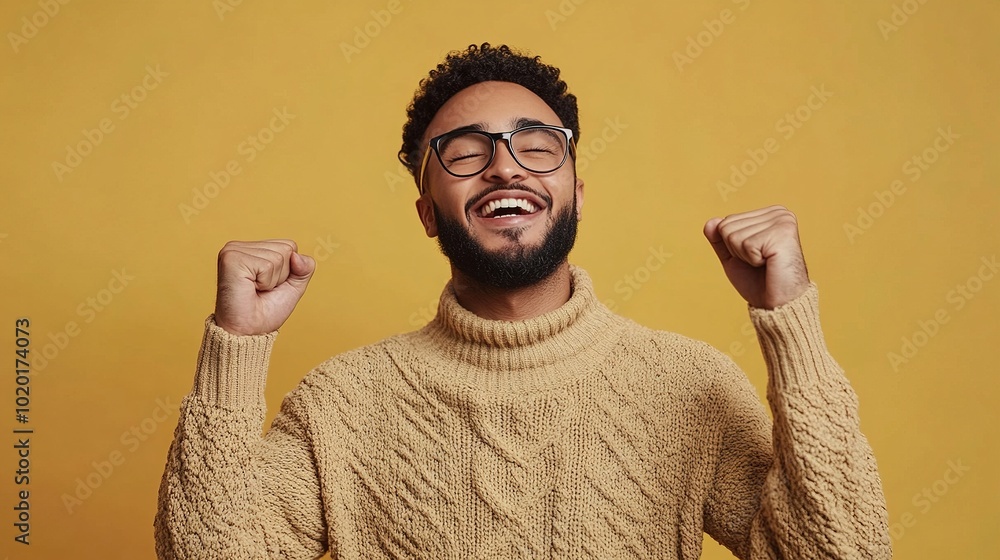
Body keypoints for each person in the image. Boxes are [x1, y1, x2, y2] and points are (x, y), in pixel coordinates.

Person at [154, 43, 891, 559]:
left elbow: (845, 553)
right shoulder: (339, 404)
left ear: (575, 192)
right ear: (428, 213)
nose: (505, 165)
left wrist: (791, 324)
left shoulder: (687, 385)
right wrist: (235, 348)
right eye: (465, 152)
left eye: (537, 144)